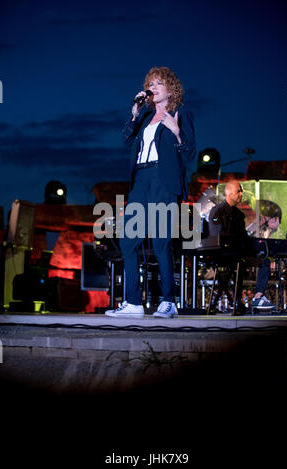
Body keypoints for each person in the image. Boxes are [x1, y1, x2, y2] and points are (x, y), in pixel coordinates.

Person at [105, 66, 196, 318]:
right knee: (127, 240)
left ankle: (169, 301)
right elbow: (126, 138)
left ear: (170, 89)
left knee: (160, 241)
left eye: (158, 84)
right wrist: (134, 114)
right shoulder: (145, 118)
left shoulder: (180, 113)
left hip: (162, 179)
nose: (152, 88)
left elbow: (190, 152)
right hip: (141, 180)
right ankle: (133, 303)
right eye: (150, 84)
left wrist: (176, 132)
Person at [209, 180, 275, 314]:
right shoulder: (218, 211)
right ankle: (237, 301)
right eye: (238, 191)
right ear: (228, 193)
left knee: (265, 259)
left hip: (238, 252)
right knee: (242, 261)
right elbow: (216, 236)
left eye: (241, 191)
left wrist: (258, 245)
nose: (241, 194)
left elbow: (244, 237)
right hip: (223, 253)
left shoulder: (239, 215)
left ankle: (258, 297)